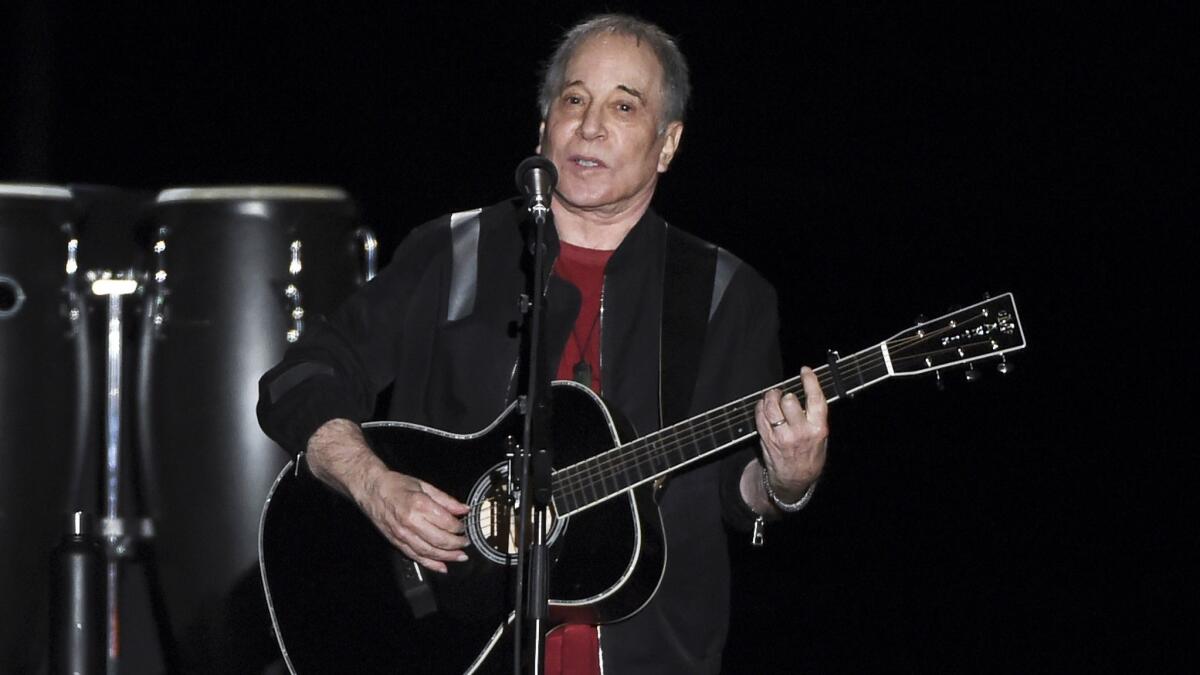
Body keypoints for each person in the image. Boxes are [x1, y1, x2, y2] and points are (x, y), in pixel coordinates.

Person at [257, 13, 827, 675]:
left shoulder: (726, 294)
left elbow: (739, 490)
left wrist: (788, 479)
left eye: (623, 105)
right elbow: (298, 378)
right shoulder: (452, 253)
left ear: (668, 144)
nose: (590, 126)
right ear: (543, 123)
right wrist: (372, 482)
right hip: (437, 640)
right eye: (574, 100)